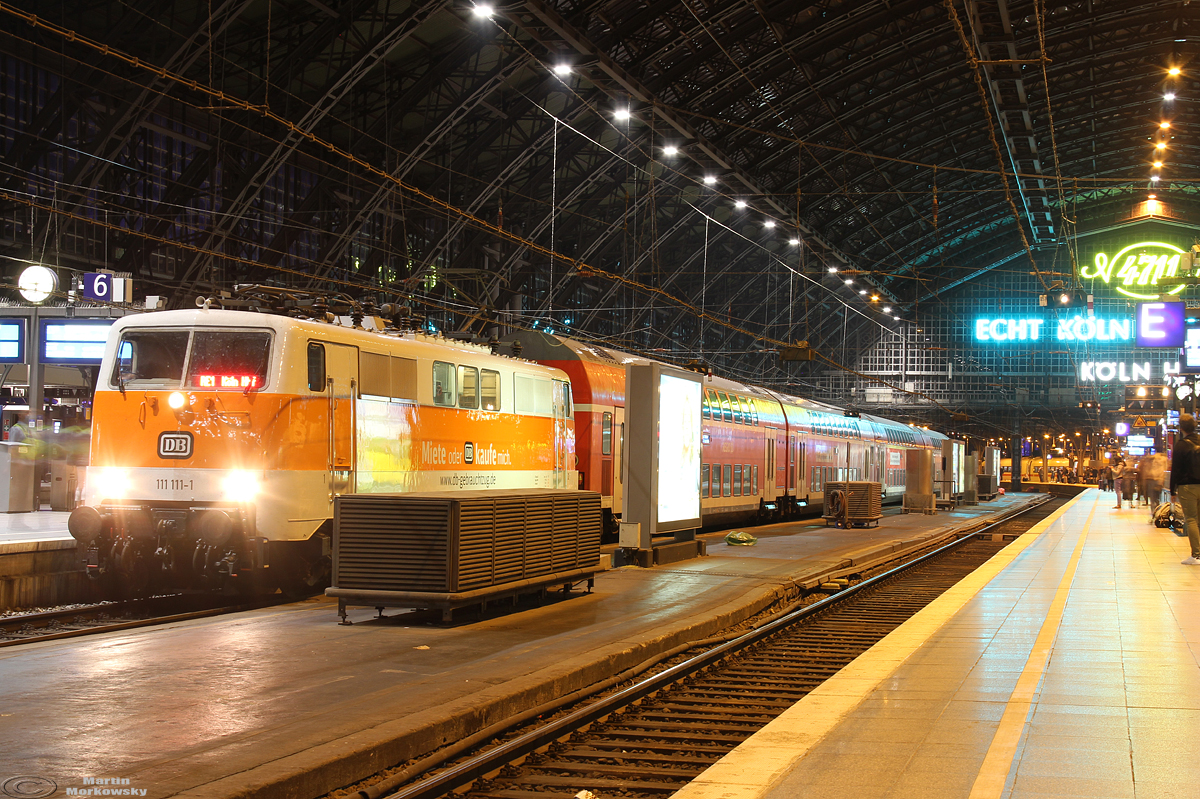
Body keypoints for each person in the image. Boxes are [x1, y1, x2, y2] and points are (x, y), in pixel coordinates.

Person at [1170, 414, 1200, 565]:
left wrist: (1172, 490)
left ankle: (1196, 555)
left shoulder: (1181, 445)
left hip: (1187, 486)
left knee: (1192, 519)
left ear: (1181, 428)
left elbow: (1175, 469)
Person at [1141, 449, 1167, 516]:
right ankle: (1156, 512)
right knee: (1156, 498)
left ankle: (1154, 512)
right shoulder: (1163, 460)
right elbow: (1163, 472)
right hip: (1157, 481)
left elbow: (1146, 472)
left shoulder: (1151, 461)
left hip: (1151, 480)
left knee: (1153, 499)